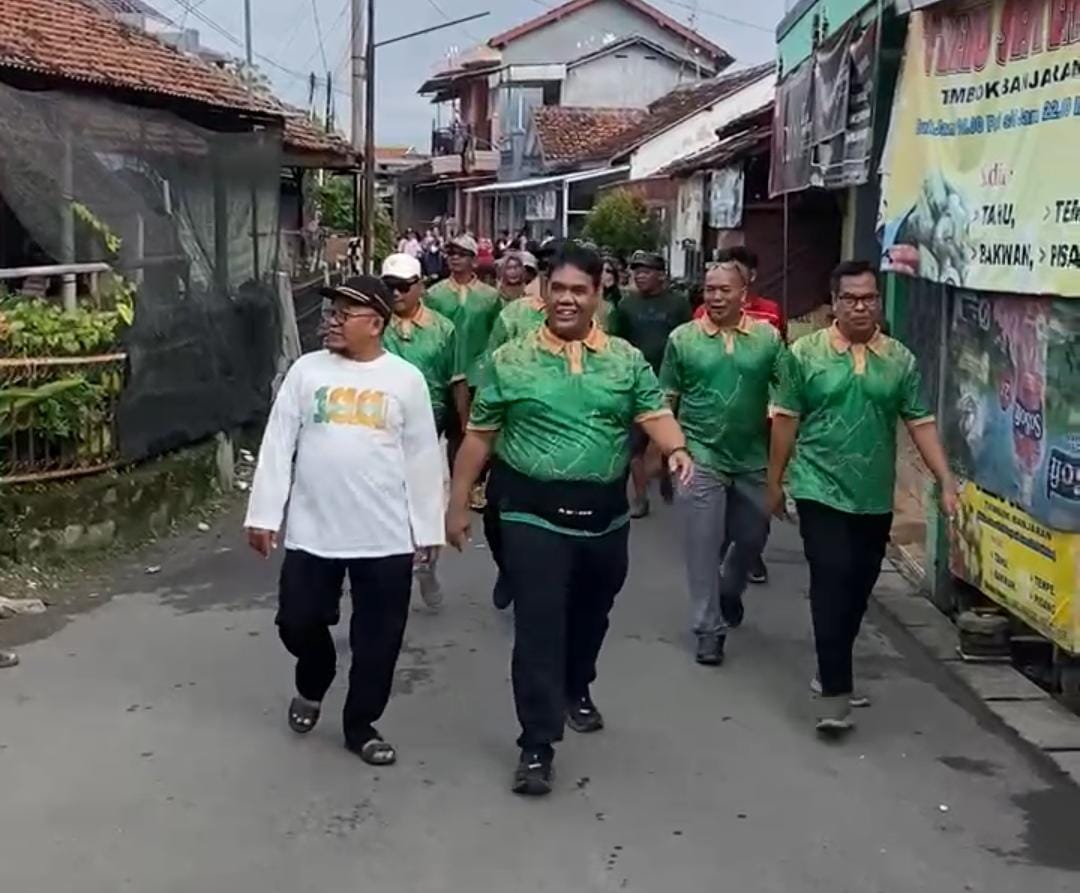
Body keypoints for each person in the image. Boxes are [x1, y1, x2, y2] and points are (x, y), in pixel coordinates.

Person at [446, 243, 694, 796]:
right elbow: (479, 438)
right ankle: (536, 745)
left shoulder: (625, 360)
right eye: (556, 289)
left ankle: (576, 682)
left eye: (578, 290)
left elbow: (653, 411)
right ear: (543, 294)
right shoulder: (513, 360)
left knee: (592, 613)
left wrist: (674, 449)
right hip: (531, 512)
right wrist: (458, 502)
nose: (566, 299)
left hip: (605, 514)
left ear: (598, 296)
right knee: (538, 625)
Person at [244, 275, 444, 766]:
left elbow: (421, 456)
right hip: (314, 533)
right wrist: (264, 514)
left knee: (378, 641)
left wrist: (428, 527)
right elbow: (278, 442)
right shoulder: (306, 372)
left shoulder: (405, 380)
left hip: (385, 536)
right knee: (296, 621)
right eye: (329, 312)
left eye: (342, 314)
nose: (330, 321)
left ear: (376, 323)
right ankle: (316, 673)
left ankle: (361, 725)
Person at [768, 260, 956, 734]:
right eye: (850, 298)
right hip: (817, 487)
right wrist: (775, 480)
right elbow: (786, 418)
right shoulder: (803, 354)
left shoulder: (900, 359)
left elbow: (920, 421)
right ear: (834, 302)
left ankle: (834, 662)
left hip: (872, 495)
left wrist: (945, 479)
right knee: (830, 580)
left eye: (868, 298)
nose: (859, 306)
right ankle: (835, 696)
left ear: (879, 301)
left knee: (857, 585)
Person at [660, 258, 787, 666]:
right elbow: (667, 399)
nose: (714, 296)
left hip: (752, 457)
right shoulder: (683, 339)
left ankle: (730, 589)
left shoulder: (767, 339)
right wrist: (667, 450)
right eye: (709, 289)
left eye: (723, 289)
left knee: (753, 536)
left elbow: (788, 397)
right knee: (702, 546)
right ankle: (708, 628)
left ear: (743, 294)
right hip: (699, 456)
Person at [381, 253, 462, 609]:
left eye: (402, 287)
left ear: (419, 286)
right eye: (389, 287)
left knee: (430, 502)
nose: (396, 294)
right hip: (380, 429)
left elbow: (456, 380)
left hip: (432, 428)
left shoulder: (443, 329)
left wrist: (466, 428)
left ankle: (428, 565)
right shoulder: (374, 325)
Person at [607, 250, 692, 517]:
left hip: (670, 384)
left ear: (660, 275)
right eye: (636, 271)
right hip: (635, 382)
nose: (640, 276)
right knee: (635, 446)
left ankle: (667, 472)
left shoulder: (677, 304)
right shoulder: (626, 305)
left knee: (668, 439)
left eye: (646, 271)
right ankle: (641, 498)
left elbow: (687, 340)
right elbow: (616, 343)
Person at [424, 234, 501, 491]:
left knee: (474, 431)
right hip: (443, 372)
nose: (454, 258)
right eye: (451, 253)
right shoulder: (435, 294)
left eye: (461, 253)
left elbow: (496, 335)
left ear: (473, 259)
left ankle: (474, 483)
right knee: (443, 429)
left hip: (476, 373)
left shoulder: (490, 297)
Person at [693, 247, 787, 341]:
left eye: (737, 272)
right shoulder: (703, 312)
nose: (730, 277)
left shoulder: (771, 312)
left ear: (752, 275)